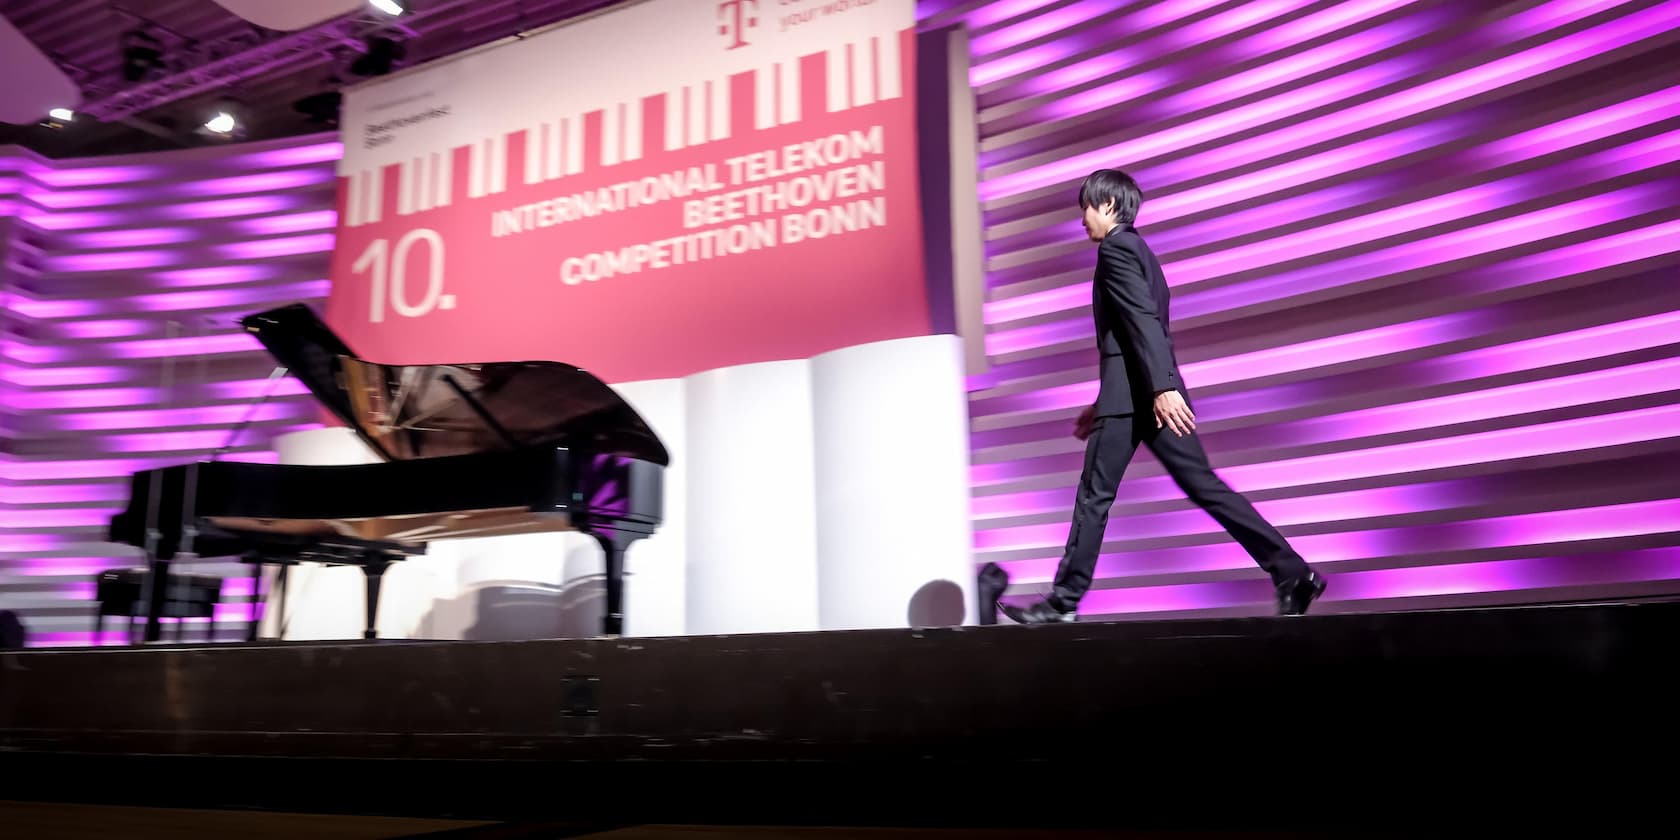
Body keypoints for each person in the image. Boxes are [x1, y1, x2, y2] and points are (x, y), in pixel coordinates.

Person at [1000, 169, 1326, 624]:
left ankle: (1063, 602)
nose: (1082, 220)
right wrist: (1130, 394)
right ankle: (1292, 573)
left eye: (1086, 209)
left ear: (1109, 206)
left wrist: (1162, 387)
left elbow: (1141, 320)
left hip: (1139, 397)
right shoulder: (1142, 252)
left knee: (1095, 496)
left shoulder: (1115, 249)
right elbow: (1137, 329)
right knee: (1204, 486)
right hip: (1141, 393)